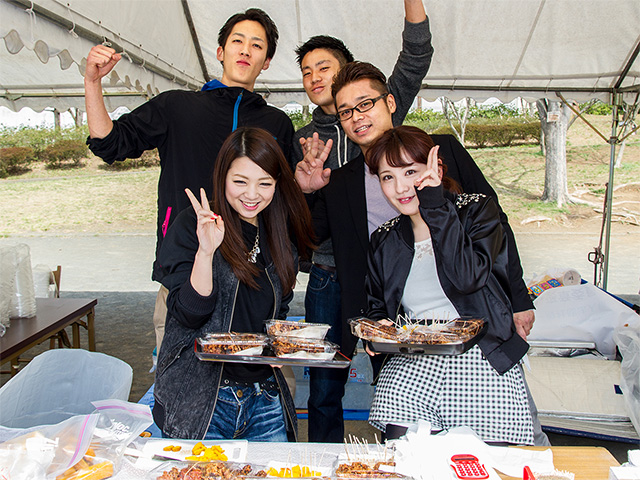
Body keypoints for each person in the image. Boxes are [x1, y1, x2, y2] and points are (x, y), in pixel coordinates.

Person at [296, 61, 548, 445]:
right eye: (346, 111)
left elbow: (495, 230)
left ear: (390, 102)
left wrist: (517, 298)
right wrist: (308, 191)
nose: (356, 117)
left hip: (478, 322)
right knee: (401, 434)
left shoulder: (439, 150)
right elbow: (310, 241)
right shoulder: (344, 181)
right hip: (404, 331)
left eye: (365, 104)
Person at [83, 8, 294, 350]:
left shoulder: (277, 123)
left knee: (261, 379)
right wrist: (92, 82)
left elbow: (284, 197)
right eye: (237, 41)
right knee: (178, 380)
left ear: (267, 61)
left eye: (257, 45)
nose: (245, 50)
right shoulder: (176, 106)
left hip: (253, 278)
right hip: (184, 266)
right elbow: (110, 143)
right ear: (220, 52)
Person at [293, 0, 433, 443]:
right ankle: (324, 460)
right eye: (307, 71)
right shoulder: (301, 139)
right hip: (329, 276)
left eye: (325, 68)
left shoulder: (379, 114)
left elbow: (415, 58)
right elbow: (301, 222)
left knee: (396, 375)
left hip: (391, 273)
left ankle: (403, 452)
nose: (316, 77)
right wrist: (307, 188)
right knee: (324, 382)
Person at [363, 125, 535, 444]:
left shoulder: (477, 210)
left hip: (481, 358)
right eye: (387, 176)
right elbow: (376, 307)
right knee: (403, 464)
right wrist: (375, 332)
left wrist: (434, 205)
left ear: (436, 168)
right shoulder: (384, 239)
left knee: (480, 468)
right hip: (412, 363)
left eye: (410, 171)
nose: (400, 186)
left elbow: (467, 277)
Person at [152, 127, 314, 441]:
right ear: (222, 176)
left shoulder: (278, 233)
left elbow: (277, 313)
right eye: (240, 181)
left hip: (264, 396)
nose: (252, 194)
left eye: (264, 183)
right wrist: (205, 251)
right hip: (201, 396)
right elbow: (188, 315)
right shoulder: (193, 224)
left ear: (277, 184)